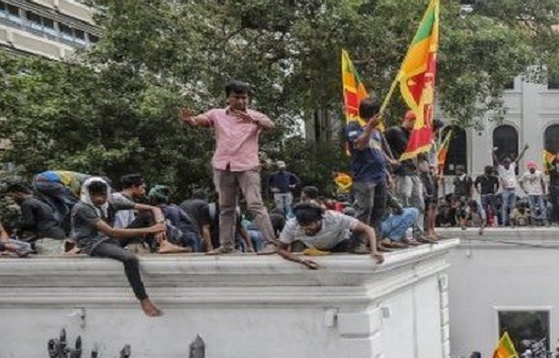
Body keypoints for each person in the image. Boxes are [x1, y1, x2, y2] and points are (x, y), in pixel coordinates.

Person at [178, 80, 280, 255]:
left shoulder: (255, 115)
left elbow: (270, 125)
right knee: (225, 207)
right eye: (236, 97)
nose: (241, 101)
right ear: (228, 99)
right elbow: (199, 121)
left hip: (248, 166)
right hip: (223, 165)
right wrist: (189, 120)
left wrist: (253, 120)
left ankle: (271, 243)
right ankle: (226, 245)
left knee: (255, 204)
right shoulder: (217, 114)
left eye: (244, 98)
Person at [70, 178, 166, 316]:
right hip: (93, 243)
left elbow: (153, 208)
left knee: (145, 216)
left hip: (112, 240)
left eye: (102, 195)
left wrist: (160, 226)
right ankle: (143, 300)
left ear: (108, 193)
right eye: (94, 196)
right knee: (130, 259)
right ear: (88, 194)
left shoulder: (112, 201)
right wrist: (151, 229)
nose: (99, 199)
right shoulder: (82, 208)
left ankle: (163, 244)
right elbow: (111, 231)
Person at [274, 203, 385, 269]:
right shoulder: (292, 225)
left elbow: (368, 229)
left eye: (310, 225)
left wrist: (373, 250)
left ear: (319, 220)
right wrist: (301, 261)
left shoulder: (335, 218)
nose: (306, 229)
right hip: (311, 247)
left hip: (339, 243)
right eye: (303, 226)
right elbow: (281, 249)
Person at [344, 97, 394, 232]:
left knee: (379, 210)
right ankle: (358, 243)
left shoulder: (377, 131)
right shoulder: (353, 126)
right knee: (364, 209)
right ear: (374, 114)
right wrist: (369, 128)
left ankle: (374, 242)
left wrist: (387, 173)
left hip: (379, 175)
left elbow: (378, 152)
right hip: (364, 175)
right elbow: (360, 145)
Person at [5, 182, 66, 252]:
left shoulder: (26, 204)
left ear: (19, 193)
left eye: (12, 196)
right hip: (57, 234)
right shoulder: (37, 201)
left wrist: (17, 228)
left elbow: (30, 223)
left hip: (47, 238)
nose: (12, 200)